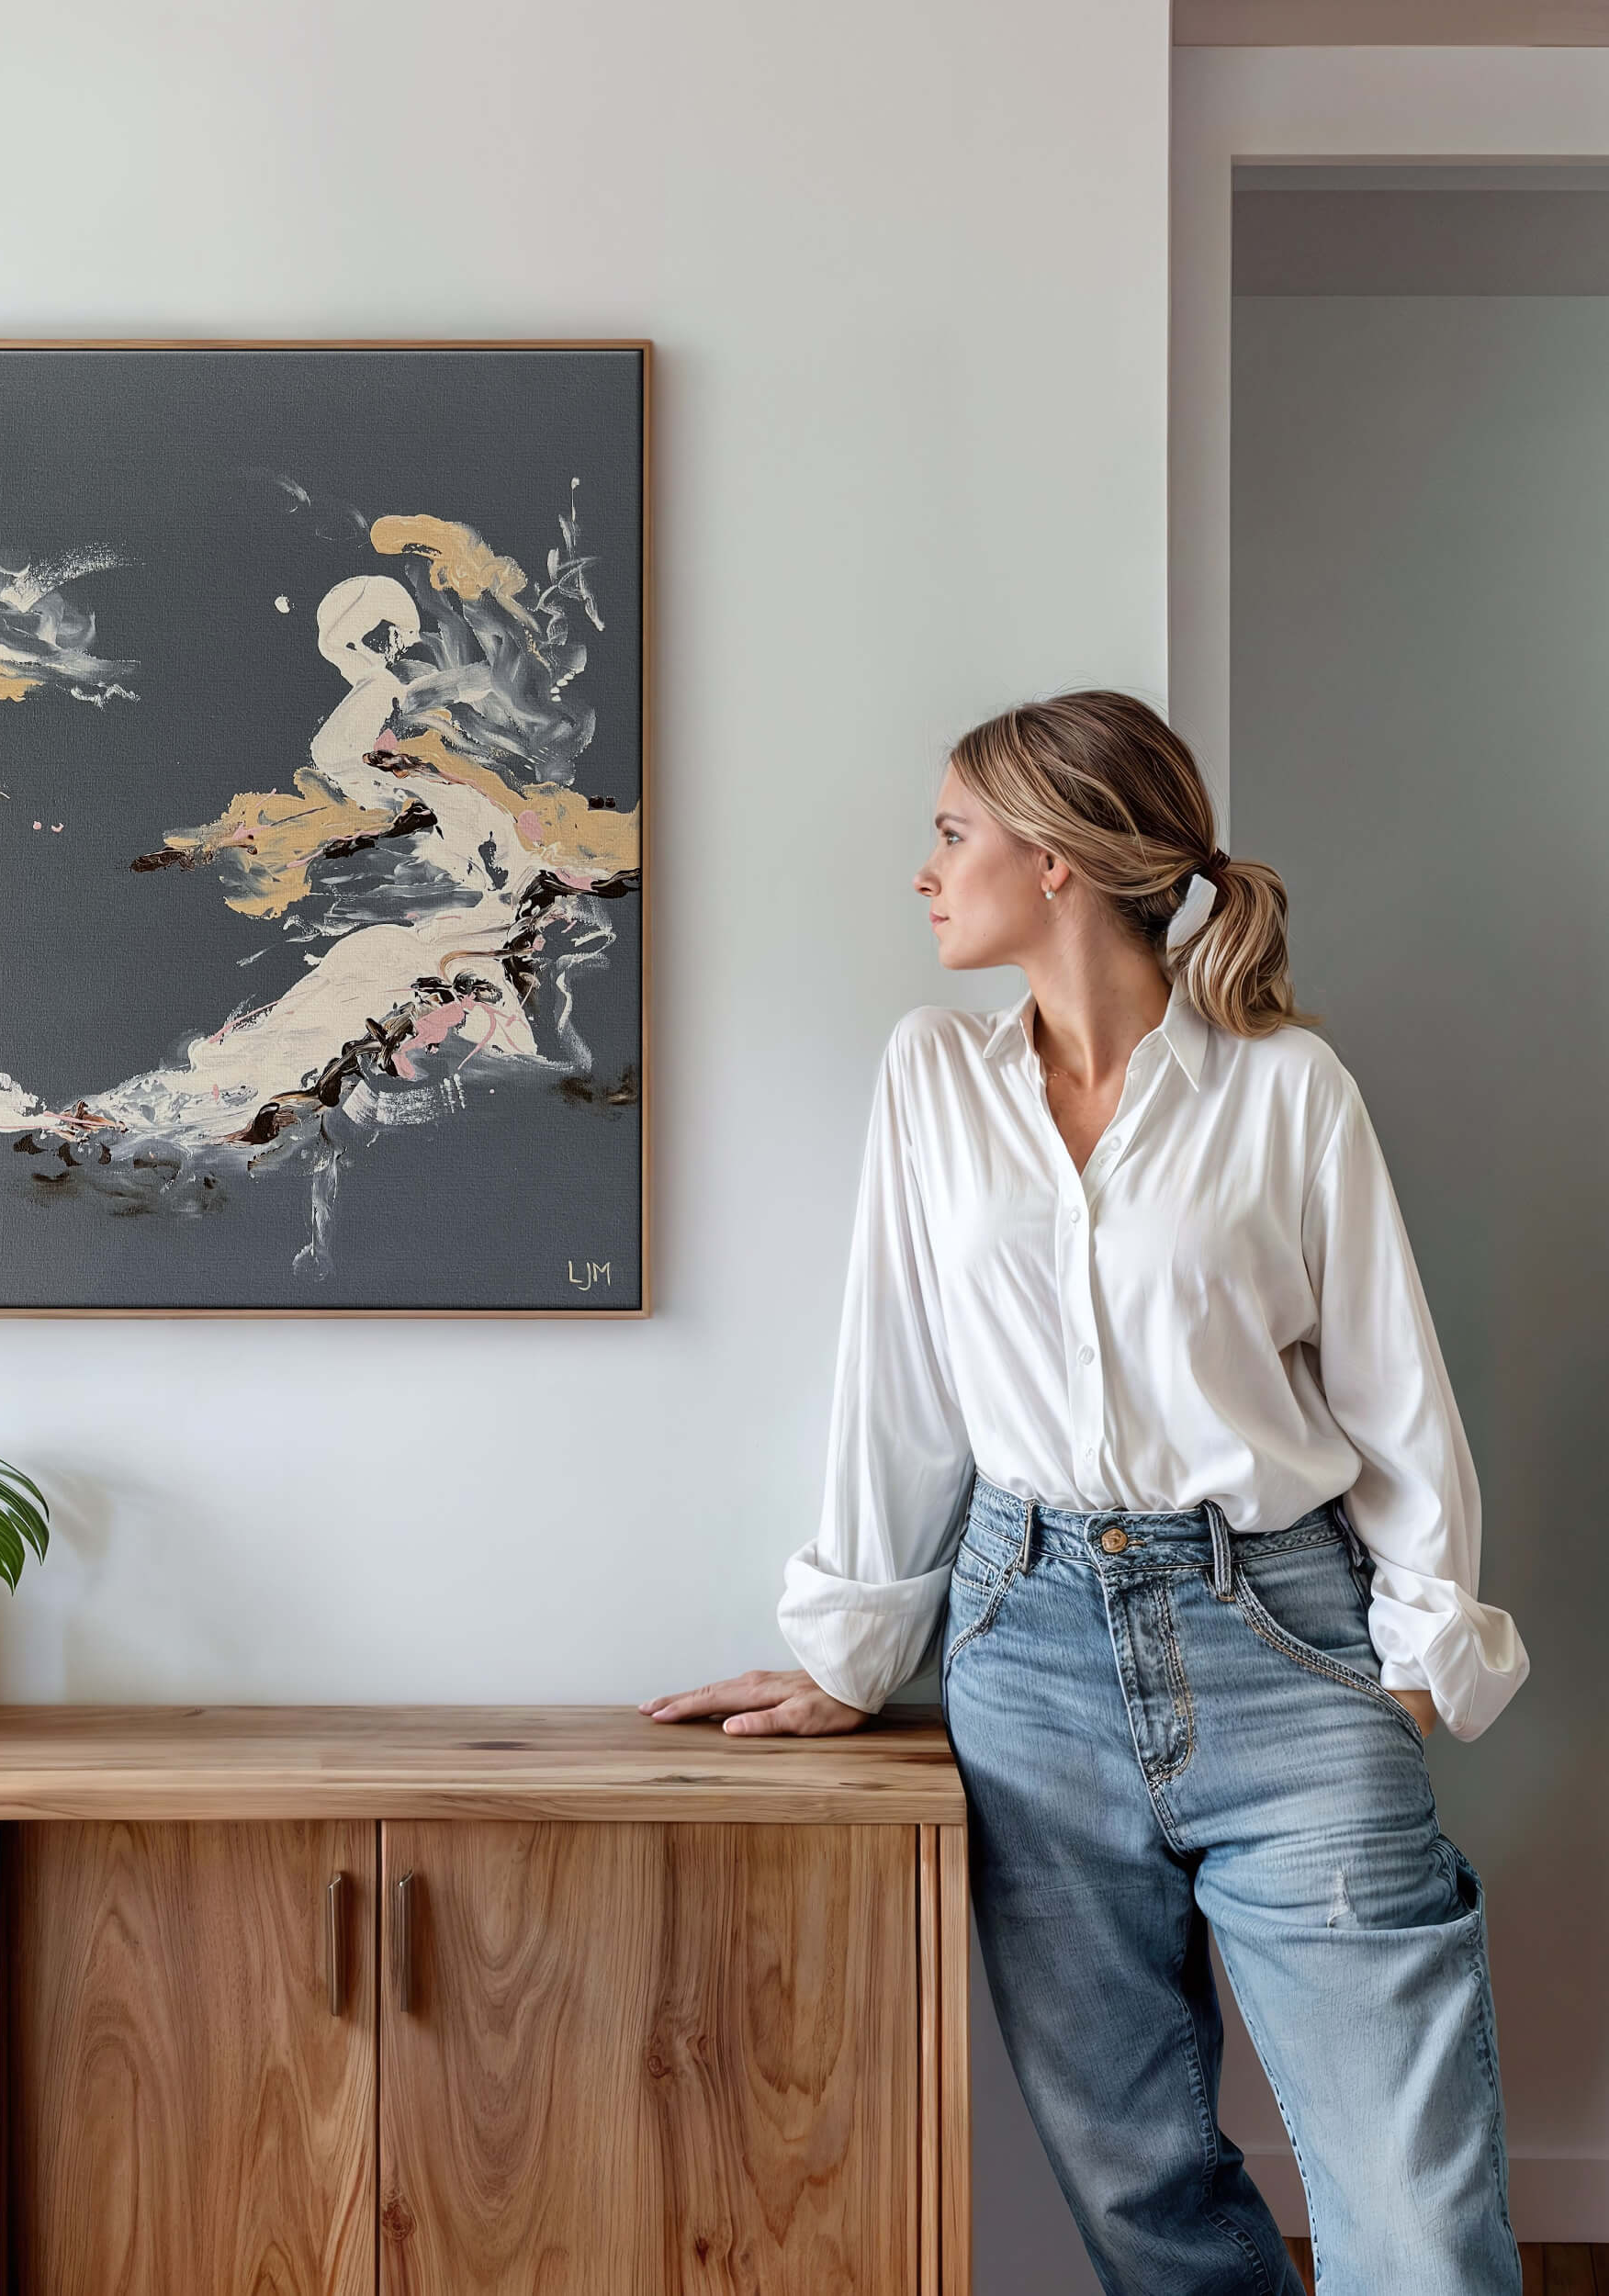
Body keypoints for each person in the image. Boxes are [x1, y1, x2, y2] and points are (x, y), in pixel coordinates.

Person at [642, 691, 1528, 2295]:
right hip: (1025, 1651)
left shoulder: (1286, 1089)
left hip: (1285, 1636)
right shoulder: (933, 1079)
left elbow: (1397, 1393)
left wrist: (1413, 1659)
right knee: (1141, 2196)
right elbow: (895, 1379)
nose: (925, 871)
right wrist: (854, 1651)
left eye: (951, 832)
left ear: (1055, 862)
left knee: (1414, 2217)